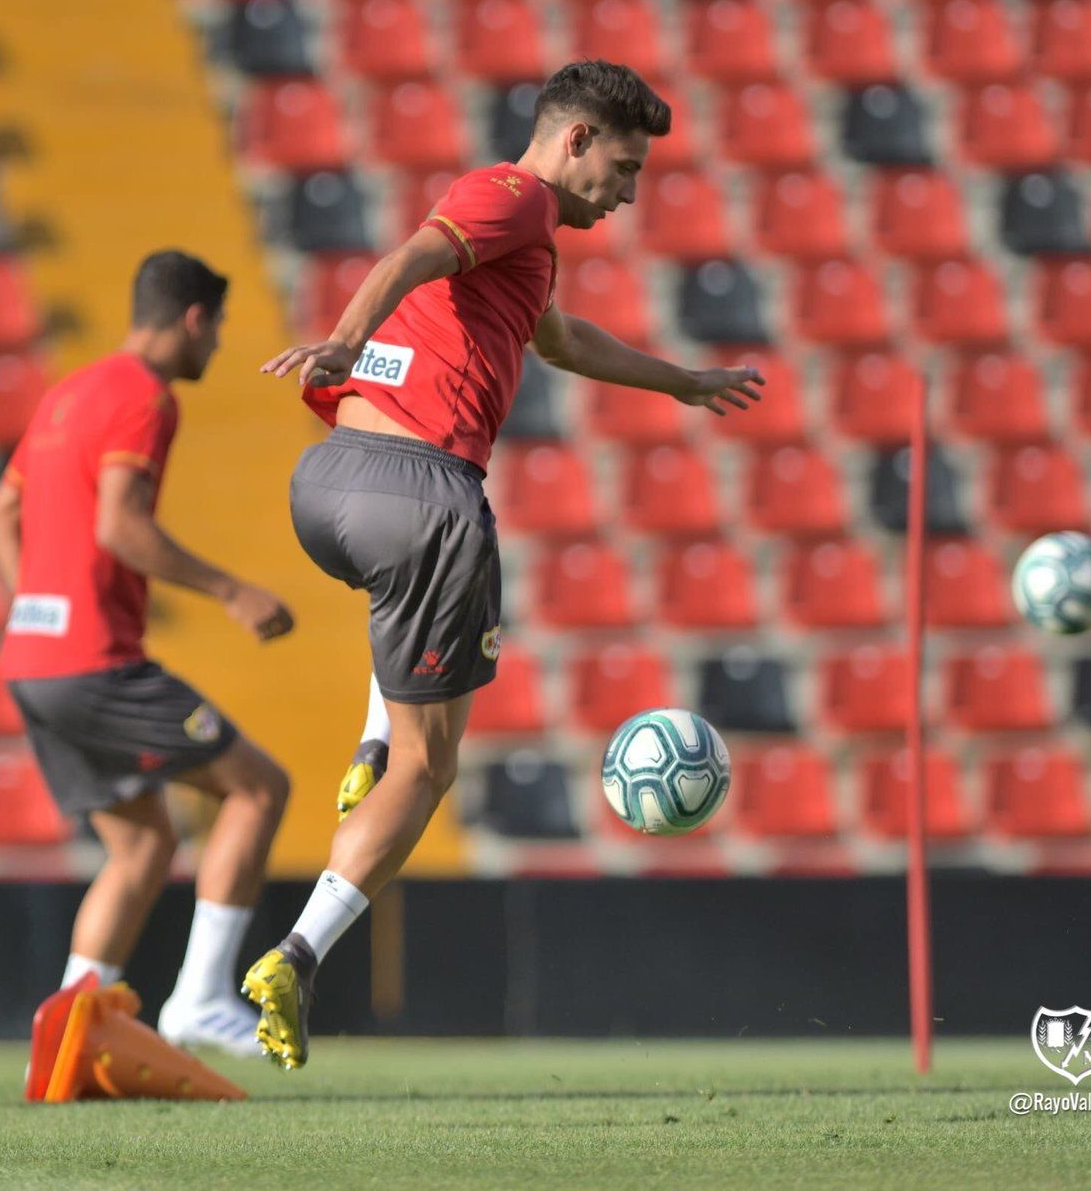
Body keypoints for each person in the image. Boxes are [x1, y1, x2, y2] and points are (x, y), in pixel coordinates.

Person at [242, 60, 763, 1069]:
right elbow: (412, 253)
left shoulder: (522, 251)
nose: (629, 191)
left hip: (334, 484)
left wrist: (683, 381)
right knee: (432, 765)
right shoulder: (513, 197)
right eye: (624, 166)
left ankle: (365, 749)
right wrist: (345, 340)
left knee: (404, 596)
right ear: (573, 143)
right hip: (420, 488)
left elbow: (560, 343)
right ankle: (297, 957)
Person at [0, 250, 296, 1057]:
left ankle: (70, 1033)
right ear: (194, 318)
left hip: (33, 666)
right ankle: (201, 998)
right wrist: (232, 591)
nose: (217, 345)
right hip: (95, 664)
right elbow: (119, 525)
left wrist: (37, 612)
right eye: (216, 328)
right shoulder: (143, 398)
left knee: (144, 842)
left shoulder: (68, 392)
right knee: (258, 788)